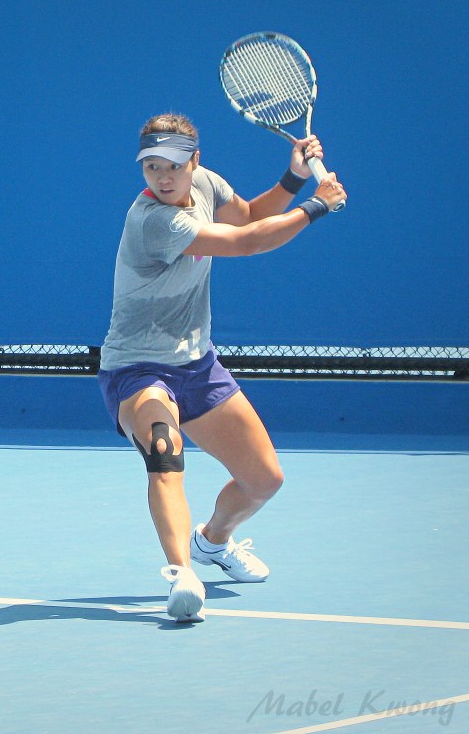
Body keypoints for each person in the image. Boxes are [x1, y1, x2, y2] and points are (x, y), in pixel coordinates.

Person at [98, 113, 346, 623]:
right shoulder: (153, 220)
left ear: (196, 161)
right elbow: (246, 243)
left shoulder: (206, 187)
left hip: (197, 364)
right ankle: (183, 573)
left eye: (172, 165)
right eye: (150, 167)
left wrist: (294, 179)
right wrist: (316, 207)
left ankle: (213, 541)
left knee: (264, 481)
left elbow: (250, 215)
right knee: (165, 449)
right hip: (137, 367)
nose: (162, 178)